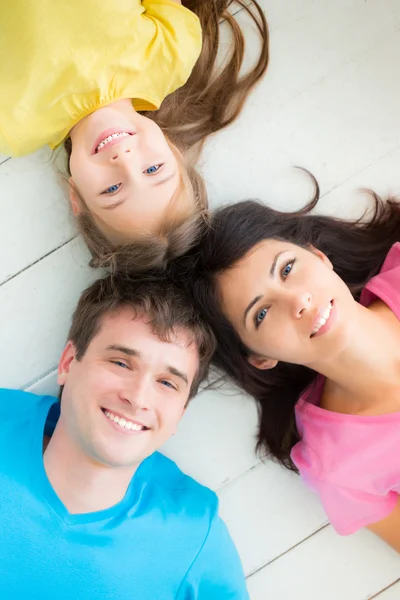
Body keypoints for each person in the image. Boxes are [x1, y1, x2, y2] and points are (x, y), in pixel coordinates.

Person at [169, 185, 400, 552]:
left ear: (319, 257)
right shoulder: (337, 466)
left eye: (288, 269)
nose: (298, 302)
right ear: (259, 357)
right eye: (261, 313)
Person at [0, 273, 249, 598]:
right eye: (121, 362)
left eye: (167, 383)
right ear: (67, 363)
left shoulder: (194, 536)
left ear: (179, 416)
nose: (138, 397)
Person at [0, 0, 269, 271]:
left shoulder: (12, 128)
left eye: (112, 189)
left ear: (77, 198)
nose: (124, 160)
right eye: (153, 169)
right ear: (173, 151)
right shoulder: (170, 56)